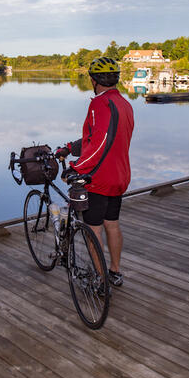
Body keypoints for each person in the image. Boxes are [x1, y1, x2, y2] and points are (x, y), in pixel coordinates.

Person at [58, 56, 134, 287]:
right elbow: (102, 137)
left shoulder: (99, 104)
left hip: (98, 178)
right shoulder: (124, 104)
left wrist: (76, 168)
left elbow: (100, 144)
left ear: (93, 80)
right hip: (119, 176)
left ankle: (99, 281)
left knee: (93, 229)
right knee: (112, 223)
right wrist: (71, 147)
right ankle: (114, 272)